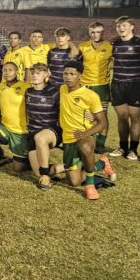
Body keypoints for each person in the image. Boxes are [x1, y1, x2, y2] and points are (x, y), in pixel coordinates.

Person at [52, 60, 112, 201]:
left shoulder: (90, 95)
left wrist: (85, 133)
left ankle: (90, 185)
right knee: (74, 182)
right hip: (68, 139)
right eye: (65, 73)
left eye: (72, 74)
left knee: (84, 146)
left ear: (80, 75)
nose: (68, 77)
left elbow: (102, 122)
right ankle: (102, 163)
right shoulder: (62, 89)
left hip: (86, 136)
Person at [109, 16, 140, 160]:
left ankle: (134, 149)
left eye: (124, 25)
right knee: (122, 117)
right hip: (118, 84)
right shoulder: (114, 43)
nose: (121, 28)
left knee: (135, 117)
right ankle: (122, 147)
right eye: (118, 26)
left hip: (136, 84)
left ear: (132, 26)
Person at [78, 22, 113, 152]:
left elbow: (113, 61)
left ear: (103, 32)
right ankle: (88, 139)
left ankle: (101, 144)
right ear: (89, 32)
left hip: (101, 86)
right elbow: (78, 66)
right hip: (85, 85)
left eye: (98, 32)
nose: (95, 34)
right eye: (93, 32)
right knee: (86, 114)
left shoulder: (109, 46)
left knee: (102, 116)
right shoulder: (82, 47)